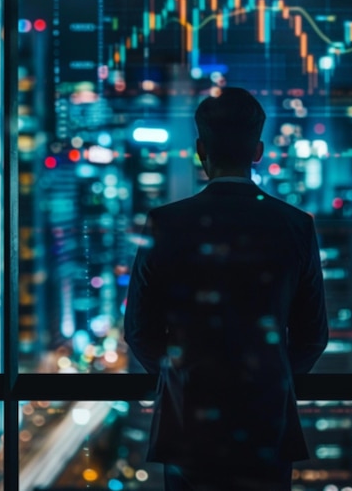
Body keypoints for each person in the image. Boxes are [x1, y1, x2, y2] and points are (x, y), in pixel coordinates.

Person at [124, 87, 329, 491]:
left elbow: (139, 331)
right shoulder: (296, 226)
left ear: (201, 150)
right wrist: (270, 378)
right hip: (266, 424)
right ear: (258, 150)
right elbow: (312, 337)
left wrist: (181, 379)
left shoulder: (166, 223)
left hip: (189, 427)